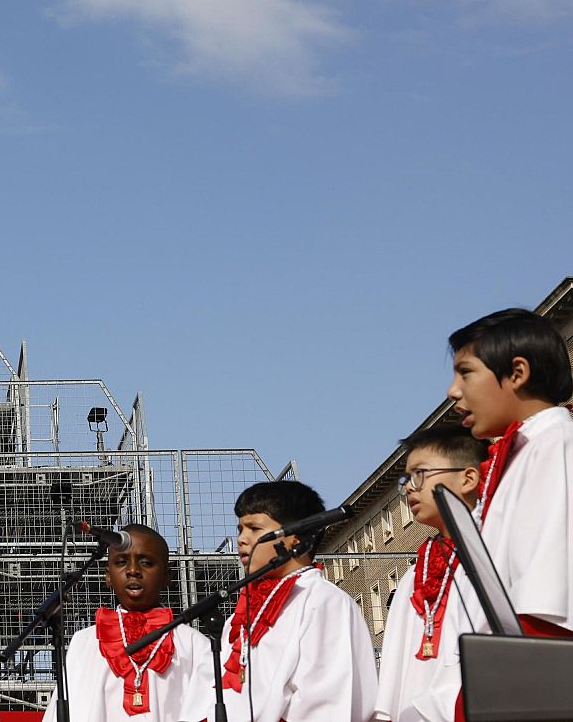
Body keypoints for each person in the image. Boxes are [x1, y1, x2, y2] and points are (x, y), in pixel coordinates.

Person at [446, 309, 573, 640]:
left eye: (466, 373)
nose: (453, 391)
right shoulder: (518, 455)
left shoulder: (556, 444)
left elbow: (548, 598)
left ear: (517, 373)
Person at [221, 480, 376, 722]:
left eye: (254, 528)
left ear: (294, 537)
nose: (242, 539)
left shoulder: (323, 601)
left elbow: (327, 703)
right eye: (240, 529)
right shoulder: (239, 615)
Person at [374, 424, 489, 722]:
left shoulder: (494, 553)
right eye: (406, 480)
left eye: (420, 475)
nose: (410, 488)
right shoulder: (413, 575)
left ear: (468, 478)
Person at [65, 525, 213, 722]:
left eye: (146, 563)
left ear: (167, 577)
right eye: (121, 562)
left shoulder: (195, 645)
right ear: (108, 576)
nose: (133, 570)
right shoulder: (83, 642)